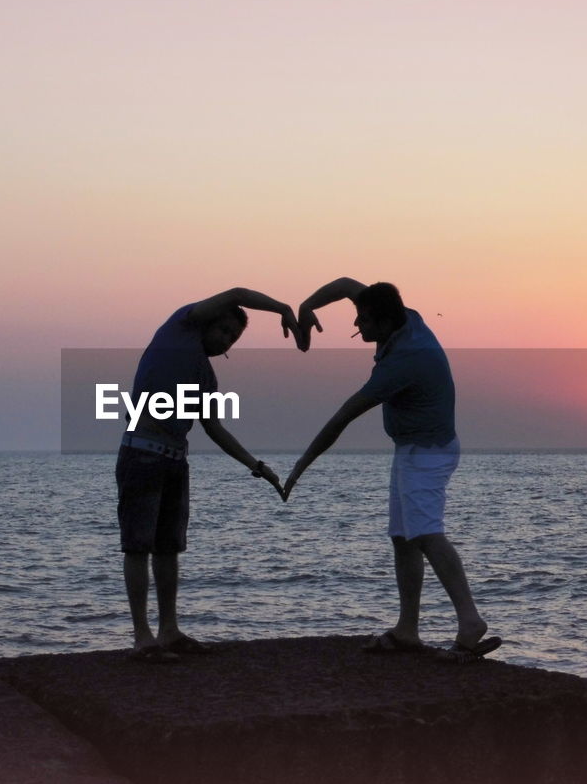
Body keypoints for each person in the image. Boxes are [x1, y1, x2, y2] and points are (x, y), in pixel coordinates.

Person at [283, 278, 500, 659]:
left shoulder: (405, 360)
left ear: (384, 323)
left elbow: (343, 416)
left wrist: (301, 464)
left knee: (426, 533)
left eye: (363, 321)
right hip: (411, 450)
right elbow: (347, 284)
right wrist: (307, 306)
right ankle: (407, 630)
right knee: (403, 536)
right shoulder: (401, 317)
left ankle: (470, 621)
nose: (357, 326)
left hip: (428, 453)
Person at [119, 288, 298, 662]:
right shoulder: (180, 326)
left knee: (169, 549)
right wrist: (281, 307)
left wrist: (257, 466)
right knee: (138, 546)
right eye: (225, 331)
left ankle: (169, 631)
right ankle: (142, 638)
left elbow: (214, 428)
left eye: (234, 338)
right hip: (142, 455)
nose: (227, 340)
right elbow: (236, 292)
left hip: (176, 462)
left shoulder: (206, 375)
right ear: (208, 322)